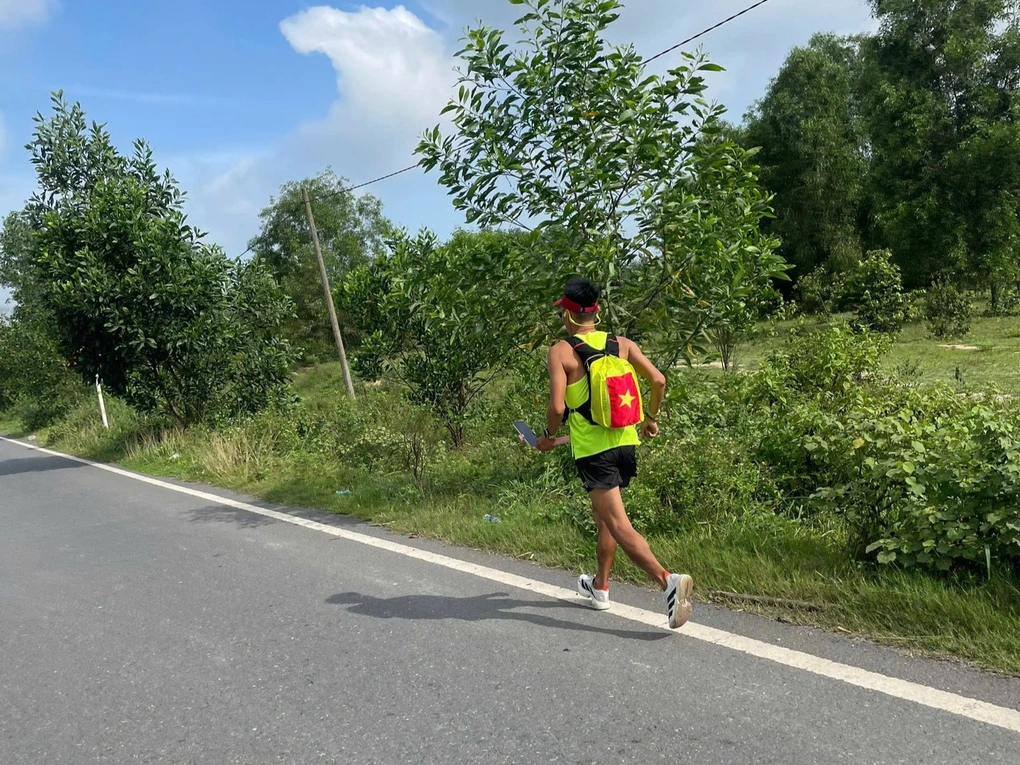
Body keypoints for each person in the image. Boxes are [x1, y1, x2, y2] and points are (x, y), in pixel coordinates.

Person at [536, 276, 694, 629]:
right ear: (596, 312)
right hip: (625, 445)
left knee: (619, 524)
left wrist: (547, 437)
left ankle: (667, 581)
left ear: (568, 315)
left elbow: (558, 408)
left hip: (595, 453)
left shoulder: (561, 351)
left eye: (562, 313)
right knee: (604, 516)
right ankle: (601, 587)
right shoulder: (621, 344)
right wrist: (650, 418)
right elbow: (658, 380)